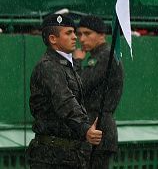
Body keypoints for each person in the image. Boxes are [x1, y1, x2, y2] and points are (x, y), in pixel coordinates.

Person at [27, 14, 103, 168]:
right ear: (53, 39)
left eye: (74, 32)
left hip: (69, 155)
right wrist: (85, 129)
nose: (75, 37)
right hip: (51, 157)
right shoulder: (48, 66)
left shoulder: (65, 65)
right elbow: (64, 101)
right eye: (68, 33)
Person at [73, 15, 124, 169]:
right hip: (97, 128)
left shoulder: (104, 57)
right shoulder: (102, 55)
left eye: (88, 34)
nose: (82, 39)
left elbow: (80, 86)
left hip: (98, 128)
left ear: (101, 35)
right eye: (80, 34)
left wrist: (76, 62)